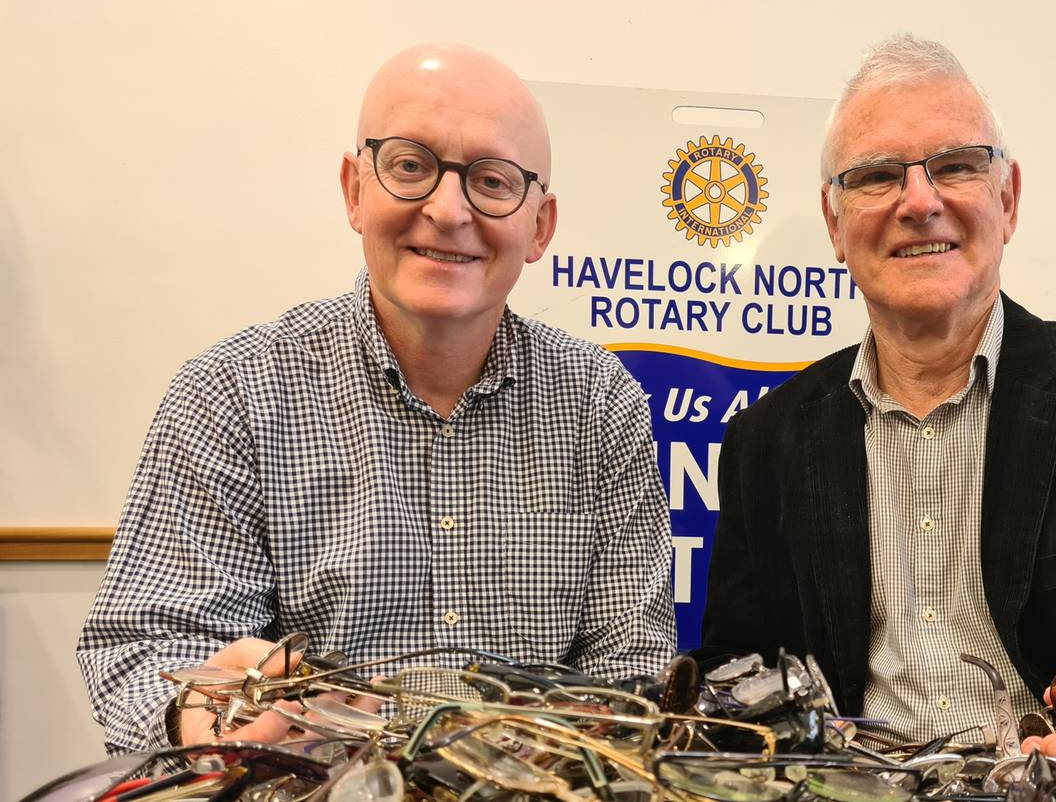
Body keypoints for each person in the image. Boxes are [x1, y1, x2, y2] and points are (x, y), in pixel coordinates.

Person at [699, 35, 1056, 801]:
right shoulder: (765, 442)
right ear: (835, 227)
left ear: (1008, 199)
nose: (919, 201)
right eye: (875, 176)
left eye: (956, 165)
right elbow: (739, 687)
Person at [77, 44, 676, 754]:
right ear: (354, 190)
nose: (448, 210)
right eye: (410, 166)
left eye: (491, 180)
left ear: (539, 226)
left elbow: (630, 669)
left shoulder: (599, 404)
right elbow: (146, 649)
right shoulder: (232, 393)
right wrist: (197, 713)